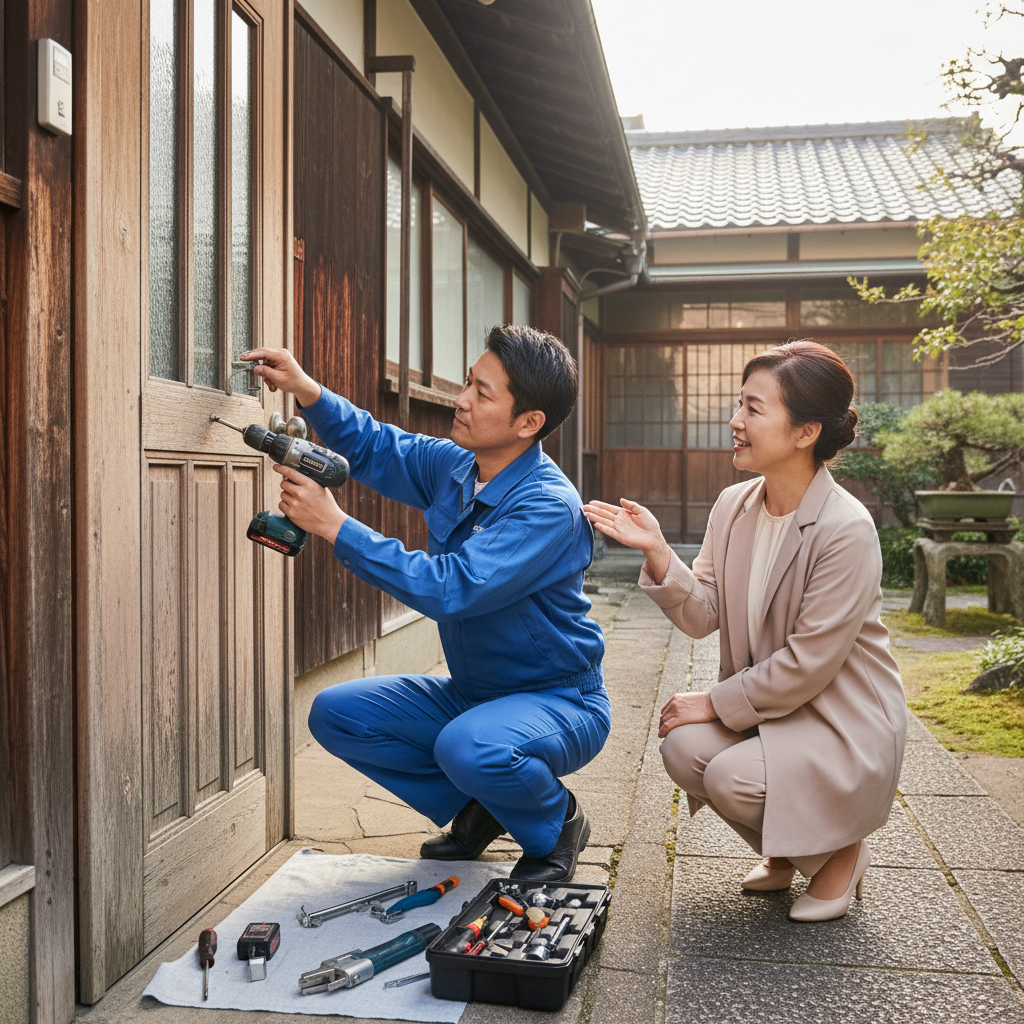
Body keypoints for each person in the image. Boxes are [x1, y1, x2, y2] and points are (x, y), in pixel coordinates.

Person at [241, 325, 608, 883]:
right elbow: (374, 445)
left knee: (471, 747)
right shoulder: (458, 466)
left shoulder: (547, 507)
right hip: (475, 694)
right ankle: (483, 808)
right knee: (336, 713)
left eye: (482, 394)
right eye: (467, 383)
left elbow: (449, 589)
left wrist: (335, 525)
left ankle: (557, 823)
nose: (461, 400)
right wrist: (306, 388)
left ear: (529, 423)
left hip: (559, 702)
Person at [583, 340, 906, 921]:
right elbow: (702, 614)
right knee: (682, 749)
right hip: (773, 711)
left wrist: (712, 699)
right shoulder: (734, 505)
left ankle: (841, 855)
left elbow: (809, 664)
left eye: (753, 409)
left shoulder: (846, 529)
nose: (735, 421)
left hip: (839, 719)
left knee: (730, 775)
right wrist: (657, 549)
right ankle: (784, 855)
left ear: (806, 431)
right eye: (740, 404)